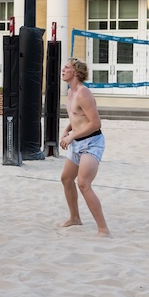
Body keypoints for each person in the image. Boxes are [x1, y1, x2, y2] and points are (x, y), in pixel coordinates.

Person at [57, 58, 109, 236]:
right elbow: (76, 118)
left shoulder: (83, 93)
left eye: (67, 68)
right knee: (66, 179)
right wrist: (67, 130)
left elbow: (95, 123)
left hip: (92, 142)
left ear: (76, 73)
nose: (63, 70)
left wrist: (72, 136)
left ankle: (103, 229)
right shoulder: (70, 93)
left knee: (84, 184)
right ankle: (75, 217)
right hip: (77, 141)